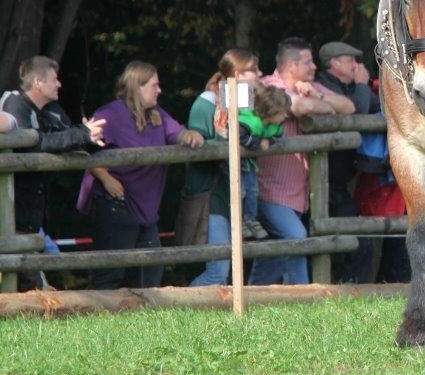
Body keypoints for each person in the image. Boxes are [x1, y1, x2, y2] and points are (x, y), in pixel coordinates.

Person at [79, 61, 204, 289]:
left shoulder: (157, 115)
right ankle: (98, 321)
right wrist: (106, 179)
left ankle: (142, 322)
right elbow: (86, 149)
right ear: (138, 86)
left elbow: (178, 133)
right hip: (116, 203)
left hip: (145, 207)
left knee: (151, 272)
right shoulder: (110, 114)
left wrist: (191, 136)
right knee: (110, 274)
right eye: (154, 85)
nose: (160, 90)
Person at [248, 37, 353, 286]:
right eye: (308, 62)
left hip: (298, 193)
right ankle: (305, 295)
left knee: (278, 248)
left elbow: (348, 107)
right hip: (269, 190)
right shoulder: (266, 87)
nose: (315, 66)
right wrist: (321, 105)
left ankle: (254, 291)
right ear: (291, 66)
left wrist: (319, 96)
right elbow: (299, 107)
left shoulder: (310, 85)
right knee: (296, 236)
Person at [1, 56, 105, 290]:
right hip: (12, 210)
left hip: (32, 214)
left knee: (40, 276)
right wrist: (81, 135)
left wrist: (91, 137)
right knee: (27, 280)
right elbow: (32, 143)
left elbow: (69, 137)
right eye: (54, 79)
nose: (59, 84)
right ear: (38, 82)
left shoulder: (51, 110)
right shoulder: (15, 105)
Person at [185, 48, 264, 287]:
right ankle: (177, 312)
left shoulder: (246, 104)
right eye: (253, 70)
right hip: (212, 197)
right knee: (217, 273)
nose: (259, 74)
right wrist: (231, 142)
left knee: (227, 272)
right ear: (237, 74)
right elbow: (200, 148)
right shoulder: (206, 104)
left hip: (235, 194)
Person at [314, 41, 377, 282]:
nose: (356, 65)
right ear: (334, 63)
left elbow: (375, 107)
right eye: (350, 60)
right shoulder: (322, 86)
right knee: (314, 240)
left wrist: (362, 87)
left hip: (339, 186)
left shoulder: (349, 87)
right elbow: (358, 109)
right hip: (318, 185)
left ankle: (351, 288)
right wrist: (362, 85)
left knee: (361, 240)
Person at [236, 84, 292, 239]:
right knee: (240, 192)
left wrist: (268, 140)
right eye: (283, 112)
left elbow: (276, 137)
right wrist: (257, 144)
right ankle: (240, 221)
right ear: (272, 111)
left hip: (251, 164)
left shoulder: (275, 126)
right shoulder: (249, 121)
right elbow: (237, 135)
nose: (287, 116)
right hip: (238, 165)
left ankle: (251, 220)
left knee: (252, 191)